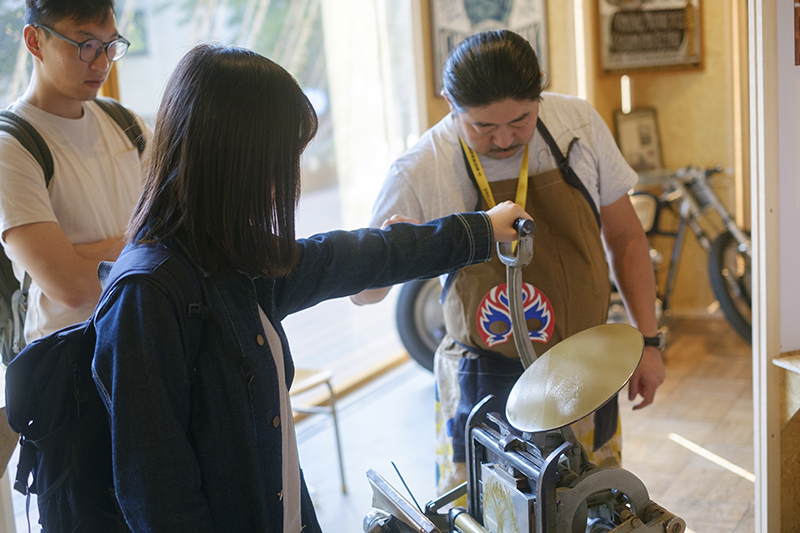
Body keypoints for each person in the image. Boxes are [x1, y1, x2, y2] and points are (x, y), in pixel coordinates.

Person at [91, 43, 531, 532]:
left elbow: (342, 257)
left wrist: (481, 230)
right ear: (235, 159)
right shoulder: (147, 297)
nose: (290, 178)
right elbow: (160, 501)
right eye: (284, 159)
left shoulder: (225, 256)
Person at [351, 29, 666, 496]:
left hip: (582, 368)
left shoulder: (576, 124)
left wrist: (649, 340)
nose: (503, 139)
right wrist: (399, 250)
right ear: (449, 104)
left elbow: (626, 238)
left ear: (540, 92)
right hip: (483, 382)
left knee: (587, 504)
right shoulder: (421, 168)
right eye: (482, 126)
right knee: (488, 512)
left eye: (521, 120)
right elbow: (363, 294)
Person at [0, 0, 147, 343]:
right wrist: (147, 243)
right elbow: (71, 286)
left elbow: (185, 227)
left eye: (111, 45)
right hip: (68, 355)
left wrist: (88, 254)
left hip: (142, 339)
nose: (102, 62)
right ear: (35, 41)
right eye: (87, 45)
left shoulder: (125, 122)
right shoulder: (12, 147)